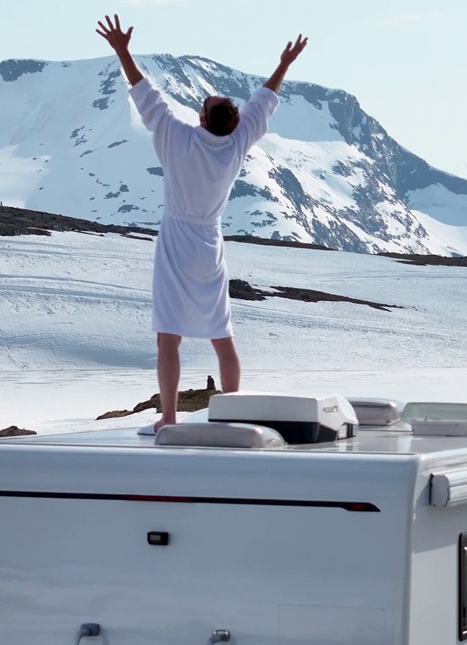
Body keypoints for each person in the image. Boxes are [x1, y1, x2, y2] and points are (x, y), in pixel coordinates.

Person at [95, 14, 308, 435]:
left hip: (177, 238)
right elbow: (263, 101)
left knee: (168, 335)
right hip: (210, 242)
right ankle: (233, 411)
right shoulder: (236, 144)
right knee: (221, 333)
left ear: (202, 119)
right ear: (232, 123)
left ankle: (170, 416)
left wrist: (122, 51)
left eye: (205, 105)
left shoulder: (177, 135)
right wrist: (284, 65)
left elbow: (145, 94)